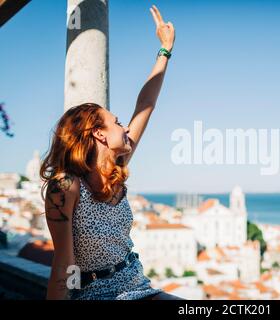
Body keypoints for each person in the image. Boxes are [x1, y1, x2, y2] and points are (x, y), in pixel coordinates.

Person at [40, 5, 183, 300]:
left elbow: (146, 104)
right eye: (116, 122)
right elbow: (63, 266)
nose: (124, 126)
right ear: (99, 133)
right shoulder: (65, 187)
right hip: (96, 294)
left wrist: (165, 50)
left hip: (136, 283)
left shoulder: (115, 166)